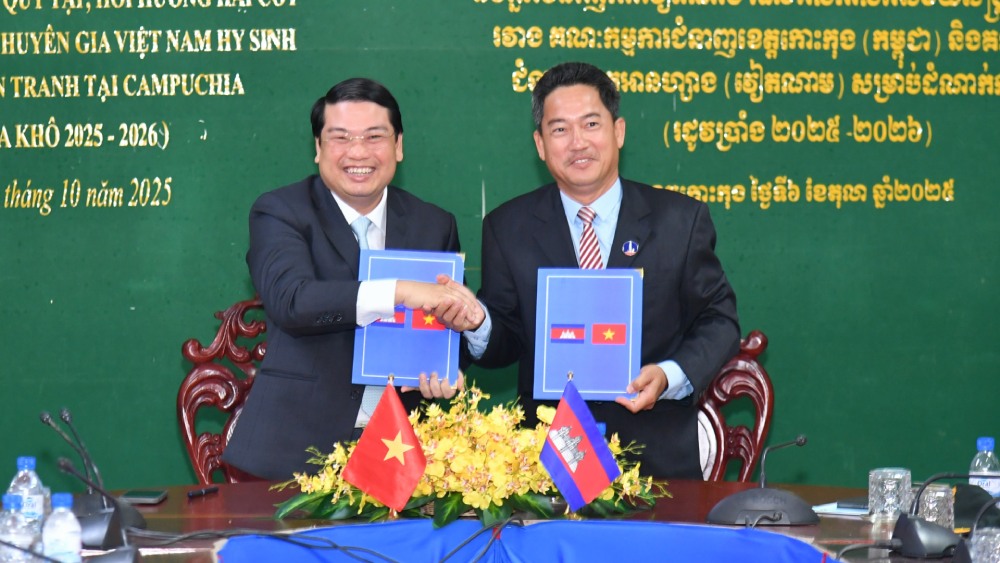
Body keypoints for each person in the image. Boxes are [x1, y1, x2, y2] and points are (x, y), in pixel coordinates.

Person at [459, 62, 740, 478]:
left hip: (656, 456)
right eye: (559, 130)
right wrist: (478, 322)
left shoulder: (679, 220)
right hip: (546, 460)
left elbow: (720, 322)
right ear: (539, 144)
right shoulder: (507, 227)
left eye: (591, 124)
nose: (578, 143)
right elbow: (508, 340)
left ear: (618, 131)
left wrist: (668, 376)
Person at [222, 78, 481, 480]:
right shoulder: (280, 211)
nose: (358, 152)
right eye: (340, 137)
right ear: (318, 148)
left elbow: (442, 330)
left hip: (404, 454)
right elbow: (293, 301)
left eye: (374, 136)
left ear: (398, 146)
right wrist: (402, 291)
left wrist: (445, 369)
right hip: (295, 456)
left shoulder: (434, 223)